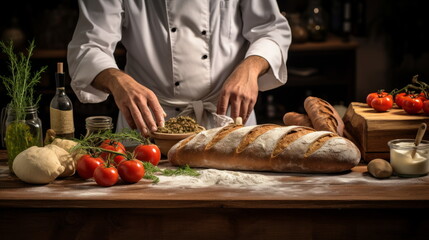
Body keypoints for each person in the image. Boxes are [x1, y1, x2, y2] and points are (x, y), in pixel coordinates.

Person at [67, 0, 291, 136]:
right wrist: (117, 80)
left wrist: (250, 68)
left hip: (226, 121)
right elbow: (88, 46)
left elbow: (270, 30)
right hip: (147, 125)